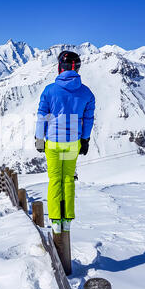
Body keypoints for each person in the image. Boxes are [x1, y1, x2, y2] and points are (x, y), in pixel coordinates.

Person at [35, 51, 95, 234]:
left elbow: (42, 117)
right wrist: (84, 140)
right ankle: (67, 219)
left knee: (55, 180)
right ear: (77, 68)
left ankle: (55, 220)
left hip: (53, 143)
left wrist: (39, 139)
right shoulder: (86, 93)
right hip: (72, 143)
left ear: (60, 68)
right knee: (68, 180)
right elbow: (88, 118)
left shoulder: (49, 90)